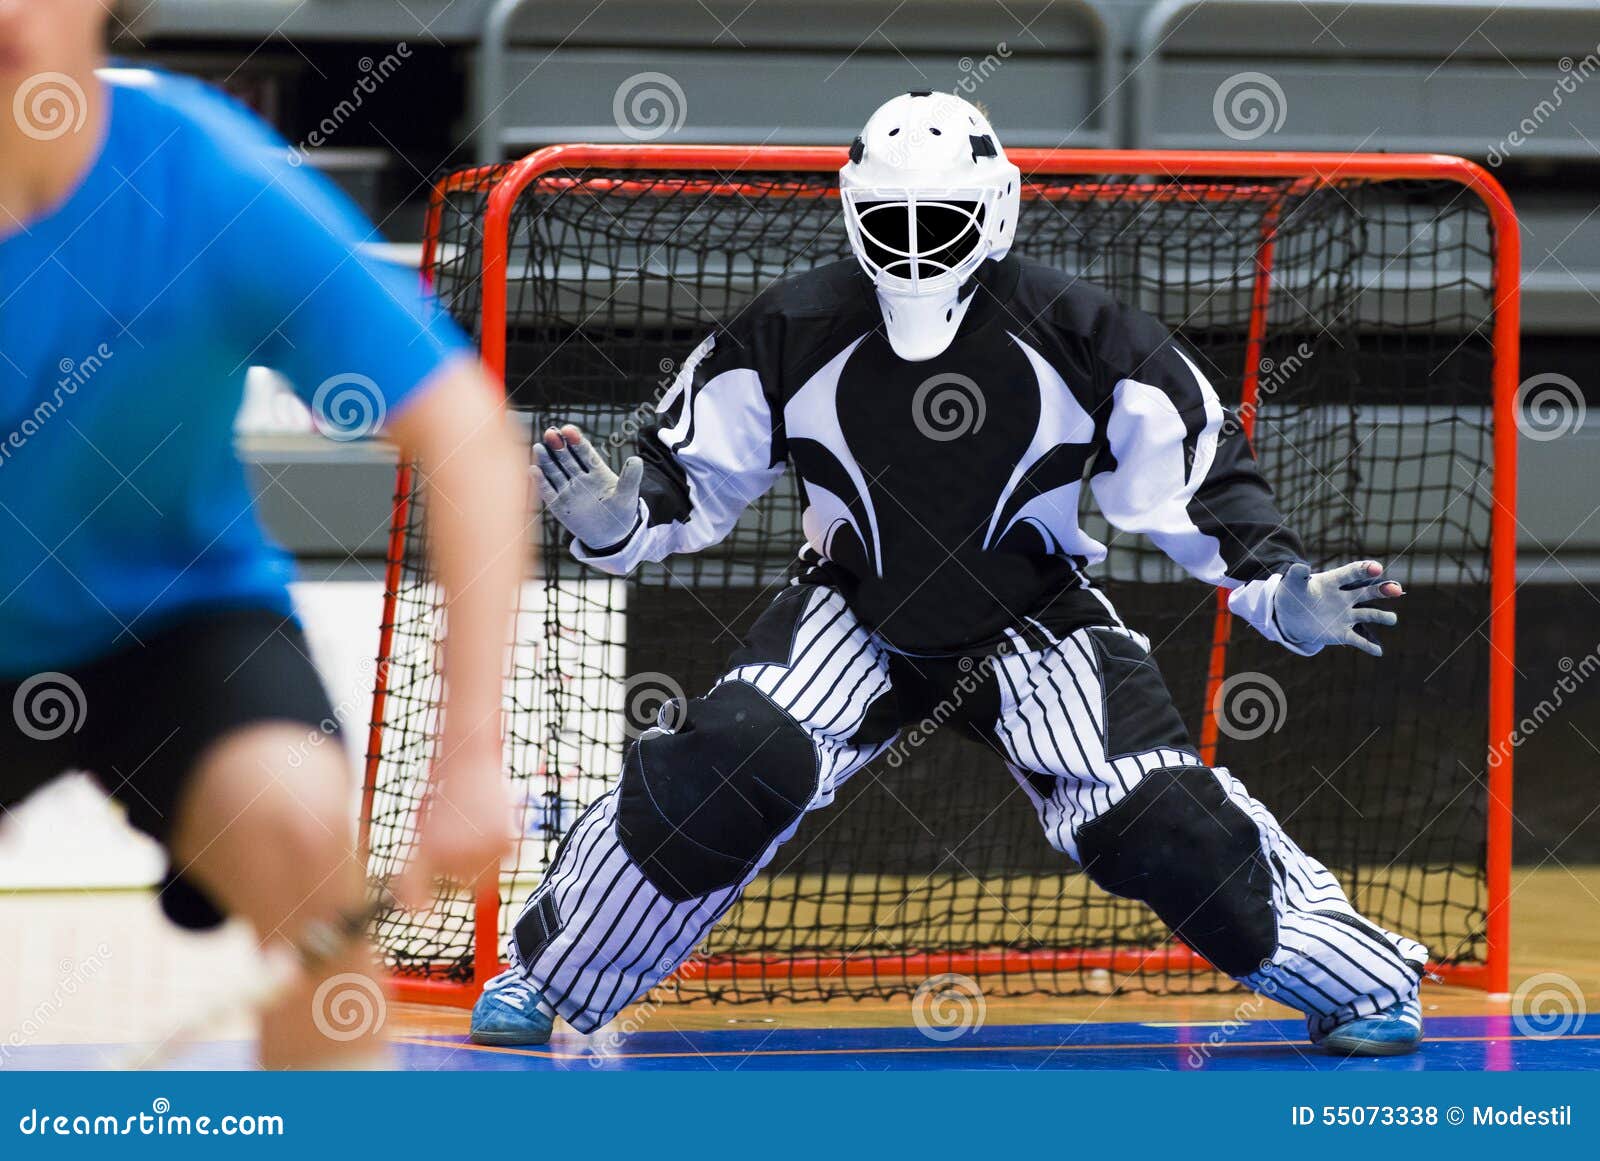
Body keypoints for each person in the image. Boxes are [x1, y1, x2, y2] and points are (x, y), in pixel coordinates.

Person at [471, 91, 1425, 1057]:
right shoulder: (790, 327)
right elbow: (685, 473)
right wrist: (615, 520)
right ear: (853, 213)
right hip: (849, 612)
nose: (916, 247)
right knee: (733, 759)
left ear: (997, 209)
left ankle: (1362, 980)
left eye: (943, 221)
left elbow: (1196, 475)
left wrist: (1280, 588)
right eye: (893, 222)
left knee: (1156, 823)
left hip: (1035, 615)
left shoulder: (1088, 333)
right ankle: (548, 972)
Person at [0, 1, 525, 1067]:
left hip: (173, 624)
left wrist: (468, 757)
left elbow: (466, 433)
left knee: (296, 827)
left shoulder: (203, 179)